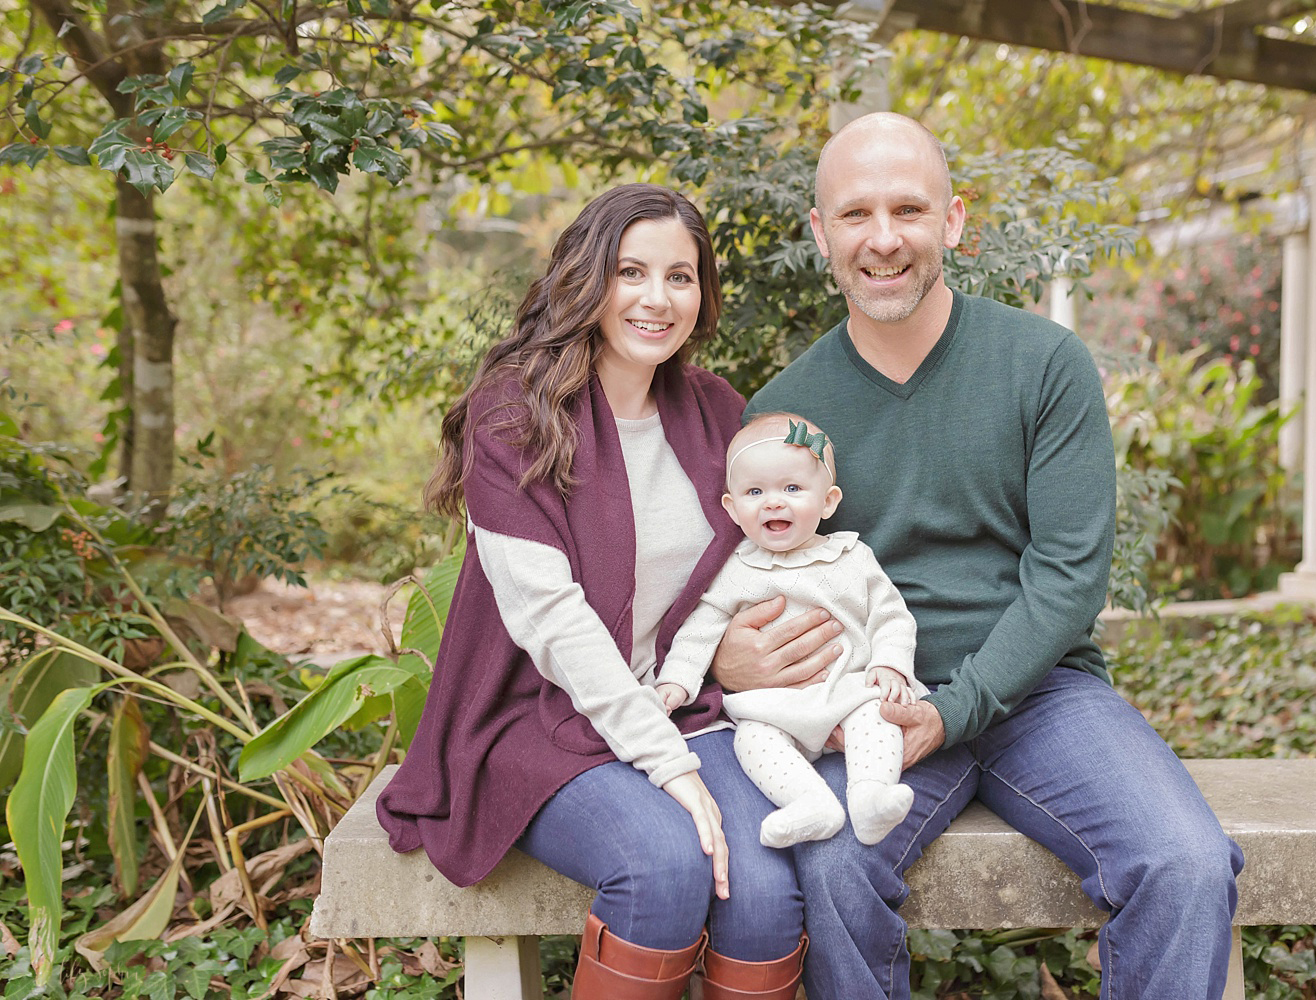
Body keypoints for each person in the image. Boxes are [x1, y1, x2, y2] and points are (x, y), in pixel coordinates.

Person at [714, 113, 1245, 1000]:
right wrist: (746, 662)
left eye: (909, 210)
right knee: (836, 869)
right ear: (820, 233)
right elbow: (763, 582)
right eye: (855, 215)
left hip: (1045, 693)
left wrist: (956, 709)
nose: (884, 240)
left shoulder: (1042, 363)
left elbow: (1070, 578)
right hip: (875, 701)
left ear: (953, 221)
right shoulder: (787, 410)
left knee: (1185, 864)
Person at [376, 184, 806, 1000]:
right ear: (589, 278)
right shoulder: (516, 415)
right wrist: (669, 766)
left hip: (683, 705)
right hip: (536, 717)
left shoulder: (718, 413)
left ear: (703, 295)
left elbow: (763, 562)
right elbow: (553, 620)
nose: (657, 298)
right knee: (661, 864)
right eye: (631, 271)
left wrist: (733, 664)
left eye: (681, 277)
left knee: (763, 883)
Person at [654, 413, 924, 849]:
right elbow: (699, 631)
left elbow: (891, 616)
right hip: (775, 707)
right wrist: (676, 681)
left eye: (793, 489)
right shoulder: (735, 569)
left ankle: (870, 797)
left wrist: (890, 664)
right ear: (731, 507)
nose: (773, 503)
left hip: (847, 691)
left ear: (829, 501)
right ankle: (810, 803)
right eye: (755, 492)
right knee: (752, 740)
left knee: (878, 717)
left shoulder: (852, 558)